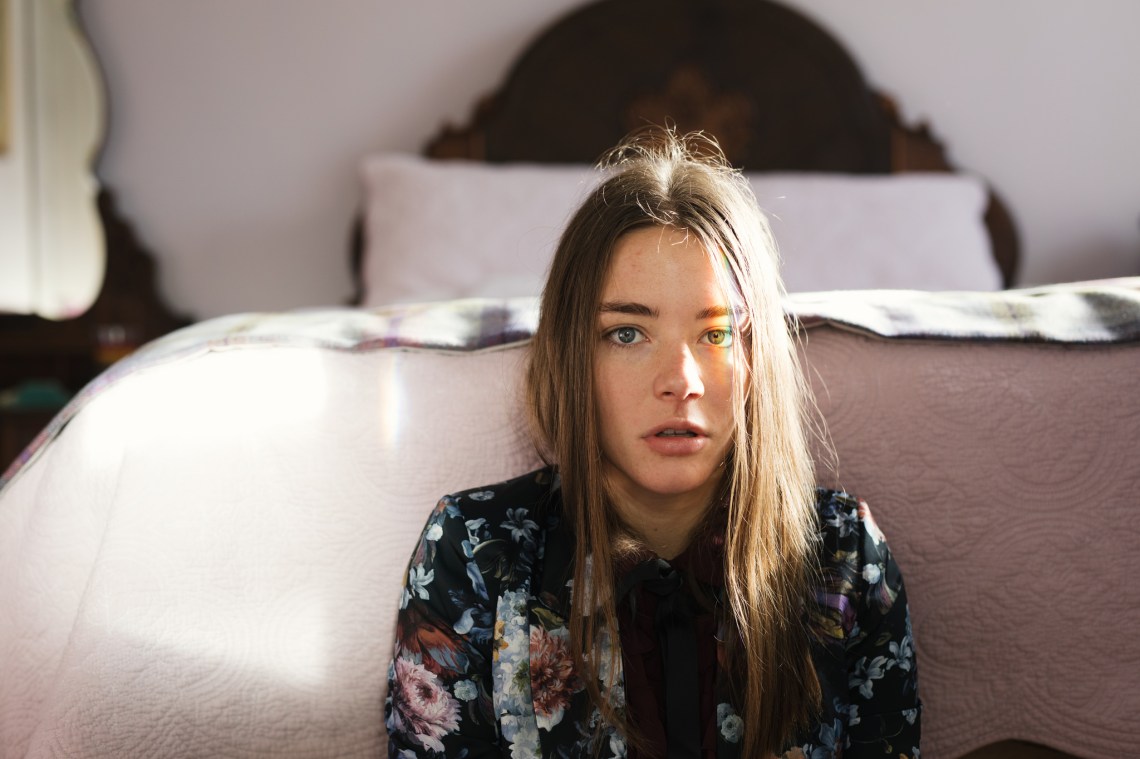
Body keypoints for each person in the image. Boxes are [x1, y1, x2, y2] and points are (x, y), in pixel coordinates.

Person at [385, 129, 920, 758]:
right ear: (571, 355)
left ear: (757, 360)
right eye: (628, 334)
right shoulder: (472, 551)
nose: (682, 382)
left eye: (718, 334)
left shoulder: (845, 557)